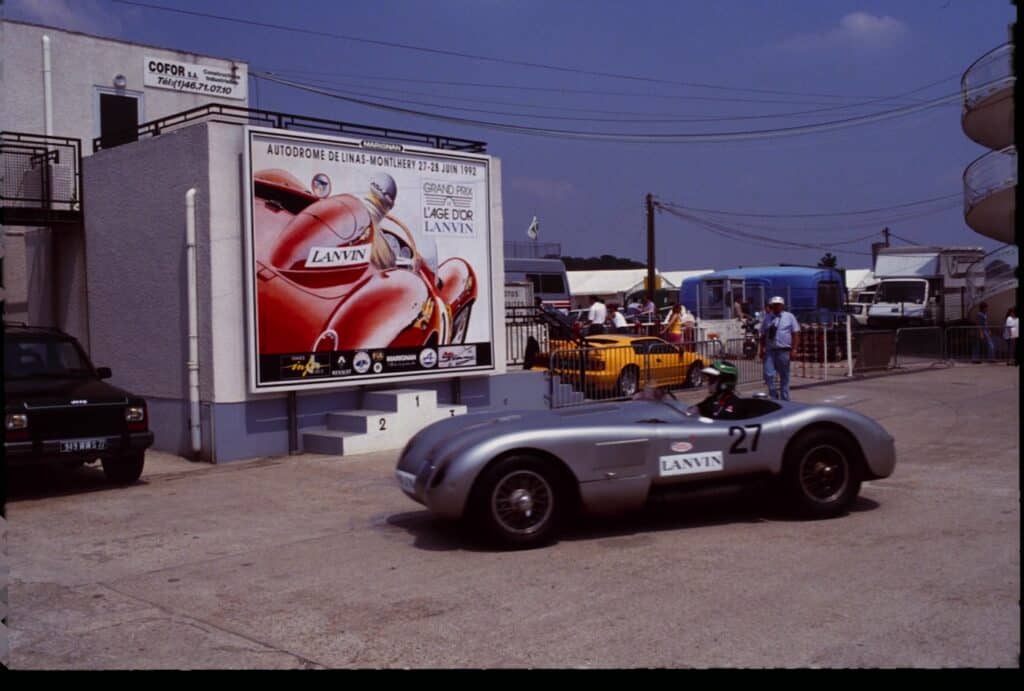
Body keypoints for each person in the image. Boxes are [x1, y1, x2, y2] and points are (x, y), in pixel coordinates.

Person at [759, 295, 801, 401]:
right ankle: (774, 395)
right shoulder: (767, 318)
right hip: (770, 351)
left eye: (778, 305)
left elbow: (795, 333)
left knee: (784, 376)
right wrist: (761, 349)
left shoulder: (789, 317)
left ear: (782, 306)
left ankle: (785, 399)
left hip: (784, 351)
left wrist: (794, 349)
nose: (776, 307)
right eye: (774, 305)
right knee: (768, 375)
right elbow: (763, 335)